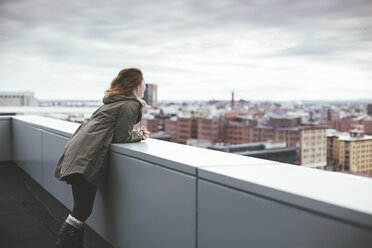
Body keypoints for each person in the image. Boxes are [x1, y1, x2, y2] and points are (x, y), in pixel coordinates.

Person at [54, 68, 149, 248]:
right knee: (82, 209)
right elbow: (122, 136)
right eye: (143, 82)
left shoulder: (112, 102)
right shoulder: (131, 105)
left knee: (80, 208)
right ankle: (64, 243)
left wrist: (133, 133)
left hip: (77, 153)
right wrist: (139, 135)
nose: (144, 86)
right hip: (87, 159)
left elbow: (111, 130)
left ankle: (69, 244)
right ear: (136, 84)